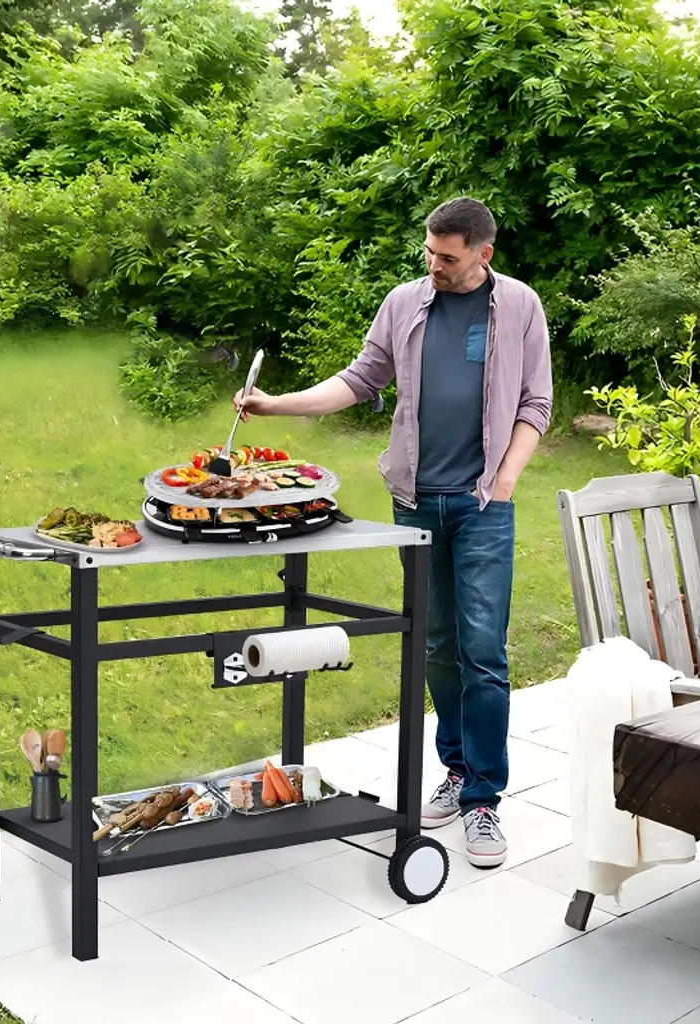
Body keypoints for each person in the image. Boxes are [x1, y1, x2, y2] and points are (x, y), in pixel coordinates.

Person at [233, 197, 553, 867]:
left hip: (483, 504)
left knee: (483, 652)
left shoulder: (520, 306)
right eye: (429, 252)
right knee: (435, 644)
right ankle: (457, 770)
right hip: (415, 501)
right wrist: (276, 405)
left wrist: (505, 479)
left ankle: (484, 799)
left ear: (483, 254)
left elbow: (535, 403)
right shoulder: (404, 303)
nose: (434, 265)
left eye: (447, 257)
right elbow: (360, 379)